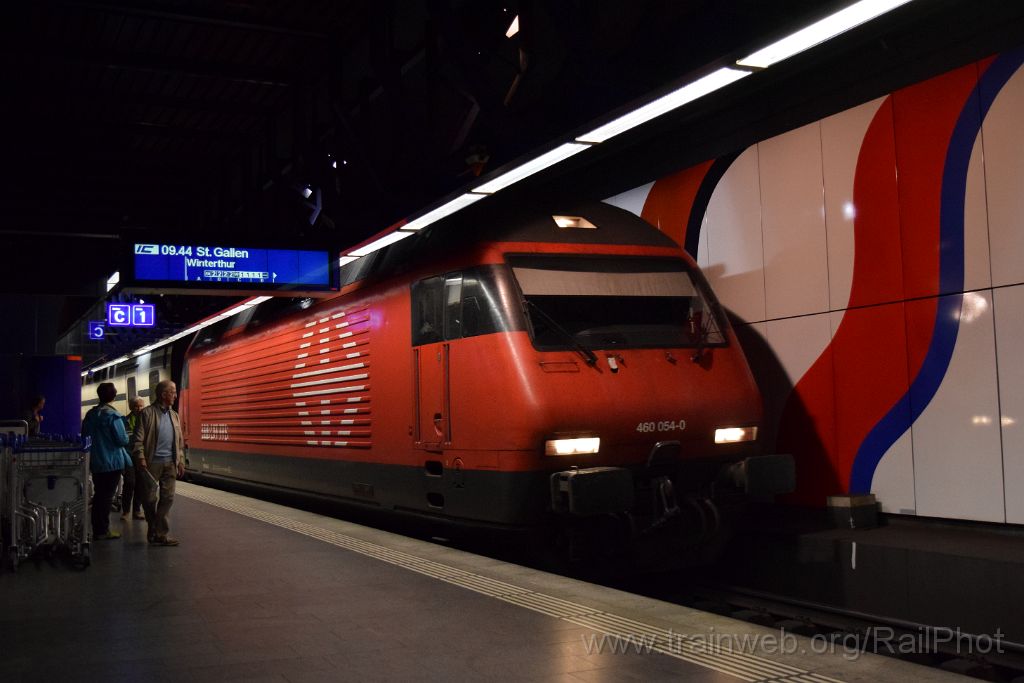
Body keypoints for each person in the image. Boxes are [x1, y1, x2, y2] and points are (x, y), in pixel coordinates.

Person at [131, 380, 184, 546]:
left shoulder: (174, 415)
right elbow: (137, 440)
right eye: (173, 392)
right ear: (163, 395)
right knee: (149, 500)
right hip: (151, 463)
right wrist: (140, 457)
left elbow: (179, 442)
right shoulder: (147, 413)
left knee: (168, 498)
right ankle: (156, 530)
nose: (175, 396)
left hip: (170, 462)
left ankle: (159, 532)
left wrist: (180, 460)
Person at [81, 383, 133, 540]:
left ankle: (98, 529)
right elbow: (122, 439)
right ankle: (102, 531)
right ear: (114, 396)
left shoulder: (90, 415)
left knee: (99, 496)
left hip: (96, 462)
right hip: (112, 463)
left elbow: (84, 436)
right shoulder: (113, 416)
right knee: (106, 497)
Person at [120, 397, 147, 520]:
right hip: (129, 458)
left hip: (142, 457)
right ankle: (126, 511)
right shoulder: (124, 421)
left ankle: (136, 510)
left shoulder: (147, 420)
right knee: (130, 483)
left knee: (141, 485)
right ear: (131, 407)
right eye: (136, 406)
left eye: (141, 406)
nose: (139, 408)